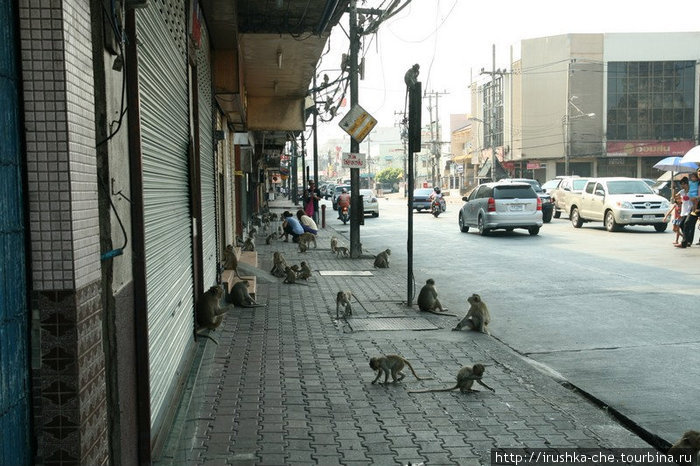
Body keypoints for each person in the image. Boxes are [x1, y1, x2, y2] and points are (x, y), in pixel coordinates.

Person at [678, 172, 700, 248]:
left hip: (696, 203)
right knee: (687, 223)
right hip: (696, 206)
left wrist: (696, 197)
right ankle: (685, 242)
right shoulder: (693, 184)